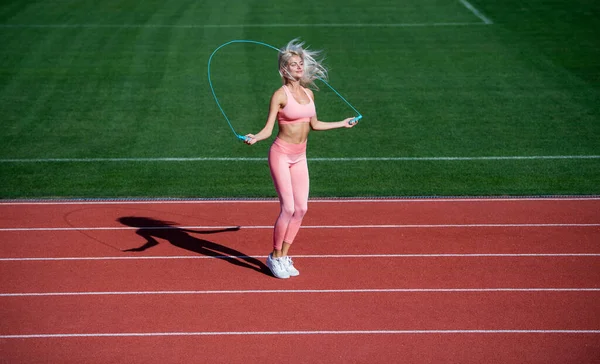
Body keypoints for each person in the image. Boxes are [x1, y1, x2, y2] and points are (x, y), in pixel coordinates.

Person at [243, 39, 358, 279]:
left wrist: (342, 123)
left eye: (300, 63)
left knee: (302, 208)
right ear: (284, 70)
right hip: (281, 155)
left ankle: (284, 255)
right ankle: (274, 257)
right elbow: (267, 129)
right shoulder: (279, 95)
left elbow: (314, 124)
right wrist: (255, 137)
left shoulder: (308, 93)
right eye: (294, 64)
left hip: (300, 156)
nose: (299, 67)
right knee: (288, 208)